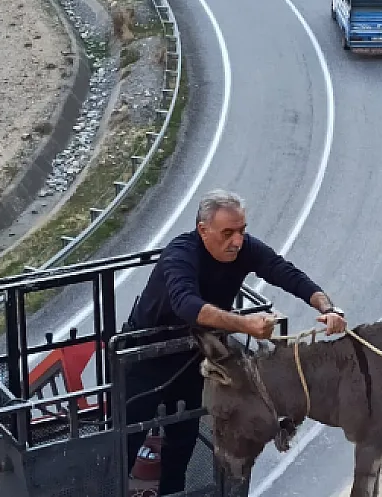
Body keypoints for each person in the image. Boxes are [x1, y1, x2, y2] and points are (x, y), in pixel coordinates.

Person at [119, 189, 347, 495]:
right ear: (203, 230)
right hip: (145, 360)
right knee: (125, 443)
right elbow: (187, 304)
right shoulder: (181, 255)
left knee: (182, 440)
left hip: (191, 357)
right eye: (228, 233)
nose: (237, 241)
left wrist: (327, 307)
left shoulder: (243, 249)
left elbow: (285, 272)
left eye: (241, 231)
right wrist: (246, 325)